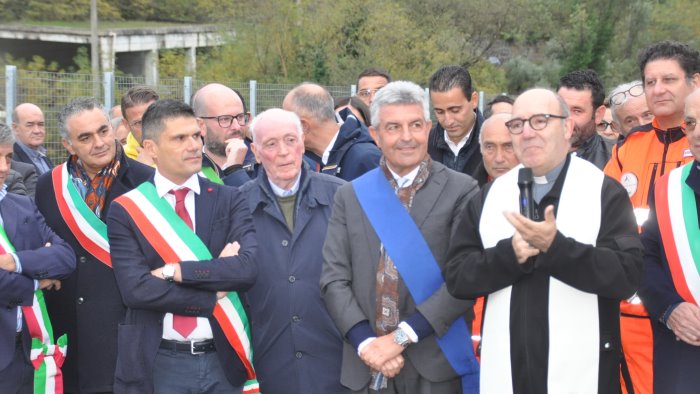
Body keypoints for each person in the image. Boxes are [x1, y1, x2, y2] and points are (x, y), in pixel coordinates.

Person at [444, 88, 643, 393]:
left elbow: (626, 277)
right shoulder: (489, 196)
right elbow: (458, 277)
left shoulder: (603, 192)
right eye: (518, 124)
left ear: (566, 127)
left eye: (540, 121)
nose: (526, 132)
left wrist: (556, 248)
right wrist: (510, 255)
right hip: (506, 367)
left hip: (583, 371)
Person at [320, 81, 481, 393]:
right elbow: (333, 280)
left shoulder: (462, 191)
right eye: (393, 127)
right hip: (365, 365)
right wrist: (368, 344)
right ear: (375, 135)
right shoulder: (350, 195)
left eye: (415, 125)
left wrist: (399, 339)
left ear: (429, 129)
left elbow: (463, 282)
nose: (406, 137)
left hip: (435, 364)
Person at [107, 99, 258, 393]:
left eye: (195, 136)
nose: (193, 146)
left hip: (224, 357)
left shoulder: (229, 199)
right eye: (179, 138)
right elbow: (136, 290)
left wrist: (173, 271)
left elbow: (247, 268)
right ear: (151, 148)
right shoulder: (126, 209)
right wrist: (213, 291)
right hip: (159, 360)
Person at [35, 97, 154, 393]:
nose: (99, 142)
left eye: (103, 131)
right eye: (85, 138)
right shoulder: (49, 184)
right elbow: (41, 242)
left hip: (123, 330)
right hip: (68, 332)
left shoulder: (146, 182)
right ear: (68, 145)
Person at [603, 40, 700, 394]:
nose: (657, 89)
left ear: (695, 82)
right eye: (650, 81)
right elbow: (605, 224)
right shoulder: (629, 147)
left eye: (668, 80)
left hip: (690, 315)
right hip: (631, 311)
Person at [240, 108, 347, 393]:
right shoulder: (236, 205)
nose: (284, 152)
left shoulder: (343, 196)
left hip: (336, 360)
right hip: (269, 361)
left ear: (303, 143)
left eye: (290, 140)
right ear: (256, 152)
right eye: (271, 144)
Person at [0, 124, 75, 394]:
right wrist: (36, 284)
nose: (4, 168)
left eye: (8, 157)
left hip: (29, 352)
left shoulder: (20, 205)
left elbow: (65, 258)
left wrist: (15, 262)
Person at [637, 89, 700, 393]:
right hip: (683, 346)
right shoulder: (668, 189)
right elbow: (644, 258)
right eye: (690, 123)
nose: (697, 133)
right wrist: (669, 309)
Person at [284, 83, 381, 181]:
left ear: (303, 126)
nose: (283, 129)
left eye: (287, 122)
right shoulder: (317, 159)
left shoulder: (366, 159)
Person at [192, 83, 257, 187]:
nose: (237, 127)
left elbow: (256, 203)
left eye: (240, 117)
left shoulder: (263, 164)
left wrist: (234, 170)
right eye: (225, 119)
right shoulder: (188, 173)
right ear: (201, 126)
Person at [427, 65, 485, 178]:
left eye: (455, 110)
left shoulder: (495, 143)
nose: (448, 121)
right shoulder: (424, 145)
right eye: (440, 112)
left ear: (474, 100)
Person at [557, 69, 614, 170]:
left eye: (577, 111)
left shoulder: (615, 159)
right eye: (562, 108)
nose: (567, 119)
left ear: (598, 114)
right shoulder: (533, 154)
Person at [473, 113, 520, 186]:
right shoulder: (467, 194)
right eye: (490, 147)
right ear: (481, 149)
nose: (499, 159)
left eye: (508, 146)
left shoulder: (539, 193)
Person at [11, 103, 54, 175]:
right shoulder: (11, 161)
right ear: (15, 128)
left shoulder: (42, 156)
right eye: (30, 125)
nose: (37, 130)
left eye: (41, 124)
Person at [121, 85, 159, 165]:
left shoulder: (182, 150)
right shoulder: (120, 161)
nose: (148, 128)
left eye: (153, 118)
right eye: (139, 123)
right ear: (126, 125)